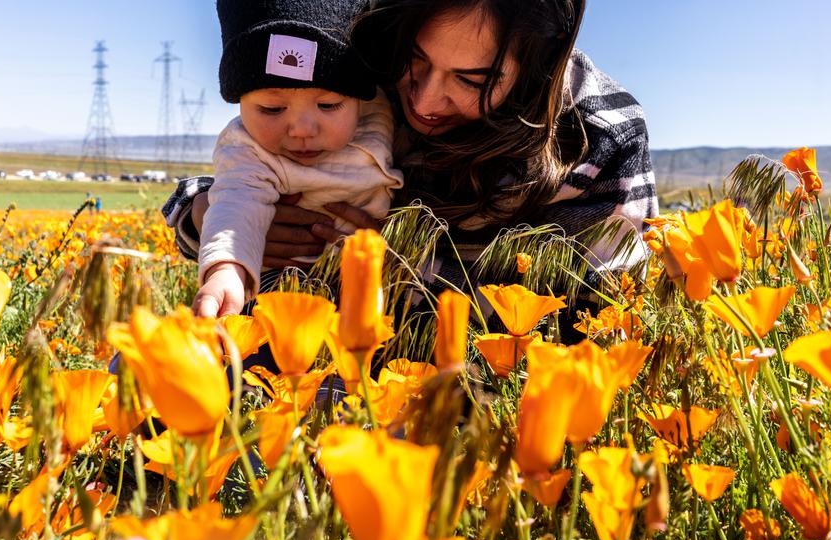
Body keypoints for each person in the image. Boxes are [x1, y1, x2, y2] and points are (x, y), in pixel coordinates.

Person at [163, 0, 658, 339]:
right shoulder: (364, 72)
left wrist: (409, 267)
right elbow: (251, 168)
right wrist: (207, 216)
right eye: (415, 60)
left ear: (541, 62)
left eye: (472, 79)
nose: (423, 101)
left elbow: (593, 319)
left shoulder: (600, 136)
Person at [190, 0, 403, 318]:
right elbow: (236, 206)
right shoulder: (248, 149)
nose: (302, 129)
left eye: (328, 105)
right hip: (278, 289)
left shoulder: (387, 114)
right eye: (272, 109)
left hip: (379, 292)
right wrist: (227, 271)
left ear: (360, 96)